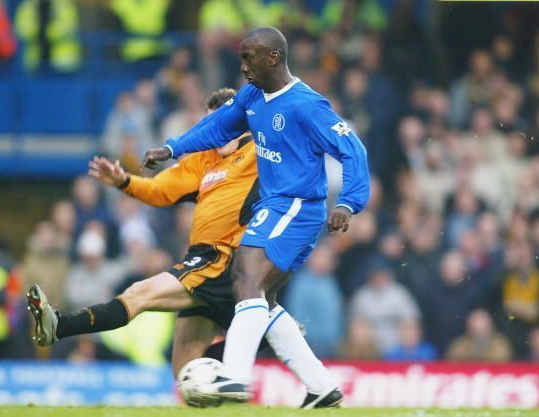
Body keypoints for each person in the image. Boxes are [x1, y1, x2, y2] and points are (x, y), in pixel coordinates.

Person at [27, 88, 339, 408]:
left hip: (223, 259)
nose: (219, 134)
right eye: (212, 127)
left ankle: (59, 326)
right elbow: (160, 190)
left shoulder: (258, 152)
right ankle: (268, 337)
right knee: (186, 371)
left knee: (139, 294)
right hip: (200, 260)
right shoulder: (201, 162)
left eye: (224, 125)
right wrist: (124, 182)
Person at [141, 26, 370, 405]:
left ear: (273, 57)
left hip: (297, 205)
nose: (243, 67)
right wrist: (172, 148)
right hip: (275, 206)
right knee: (264, 296)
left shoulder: (306, 105)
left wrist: (348, 202)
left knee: (246, 274)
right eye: (241, 58)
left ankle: (234, 376)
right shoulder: (251, 96)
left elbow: (353, 149)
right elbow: (217, 127)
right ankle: (320, 387)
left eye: (249, 58)